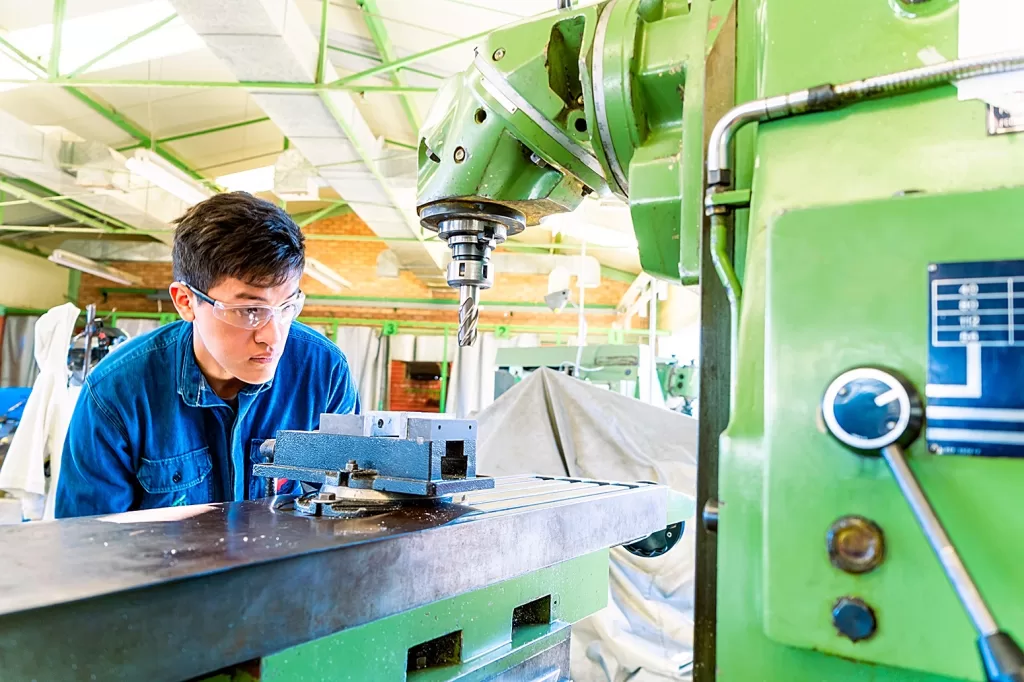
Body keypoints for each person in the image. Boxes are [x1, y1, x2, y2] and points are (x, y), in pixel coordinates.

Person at [55, 192, 359, 517]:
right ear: (185, 301)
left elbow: (348, 509)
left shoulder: (325, 373)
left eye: (287, 306)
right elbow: (89, 537)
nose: (273, 336)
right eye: (249, 310)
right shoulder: (115, 394)